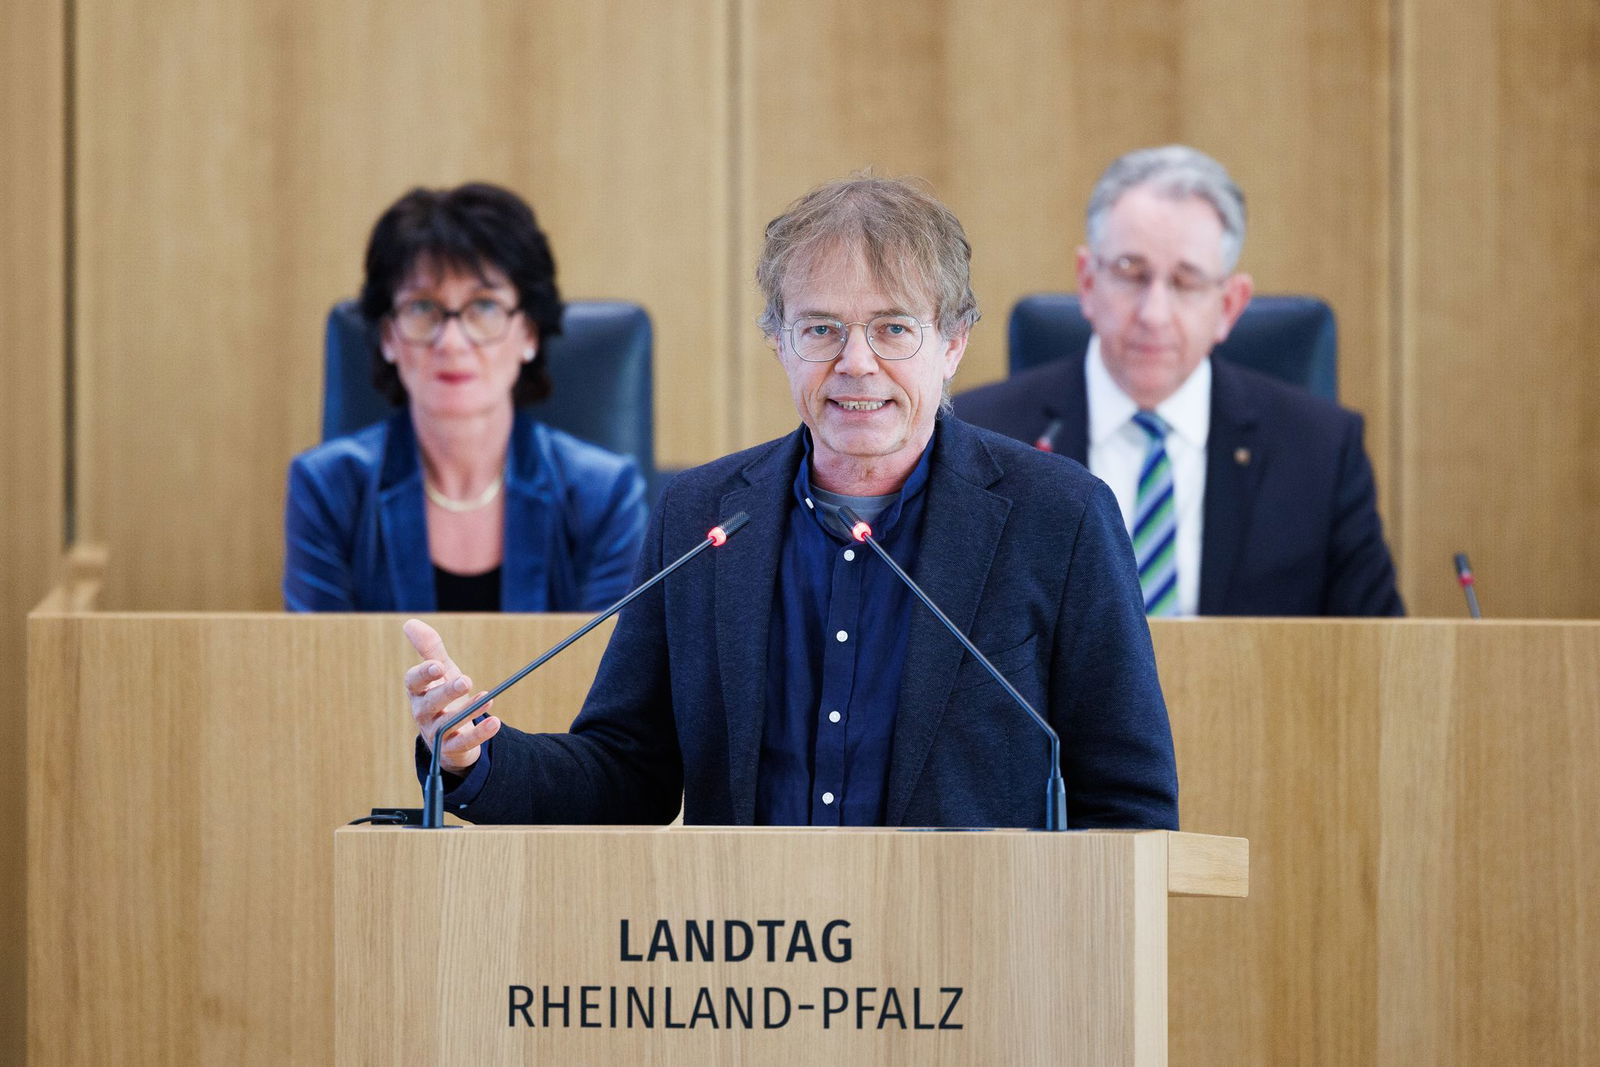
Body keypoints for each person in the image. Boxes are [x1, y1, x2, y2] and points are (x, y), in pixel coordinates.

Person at [404, 175, 1178, 830]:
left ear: (952, 342)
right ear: (778, 341)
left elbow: (1128, 805)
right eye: (821, 329)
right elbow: (628, 772)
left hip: (972, 953)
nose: (856, 363)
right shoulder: (701, 515)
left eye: (893, 328)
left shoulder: (1059, 518)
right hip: (750, 952)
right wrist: (479, 756)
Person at [955, 146, 1403, 617]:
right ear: (1087, 282)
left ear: (1229, 305)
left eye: (1186, 283)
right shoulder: (977, 436)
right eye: (1130, 273)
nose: (1154, 314)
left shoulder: (1320, 451)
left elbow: (1376, 646)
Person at [283, 183, 647, 612]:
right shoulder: (327, 488)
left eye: (484, 306)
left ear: (529, 333)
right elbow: (320, 654)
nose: (452, 342)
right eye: (422, 308)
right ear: (387, 336)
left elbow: (615, 653)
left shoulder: (604, 494)